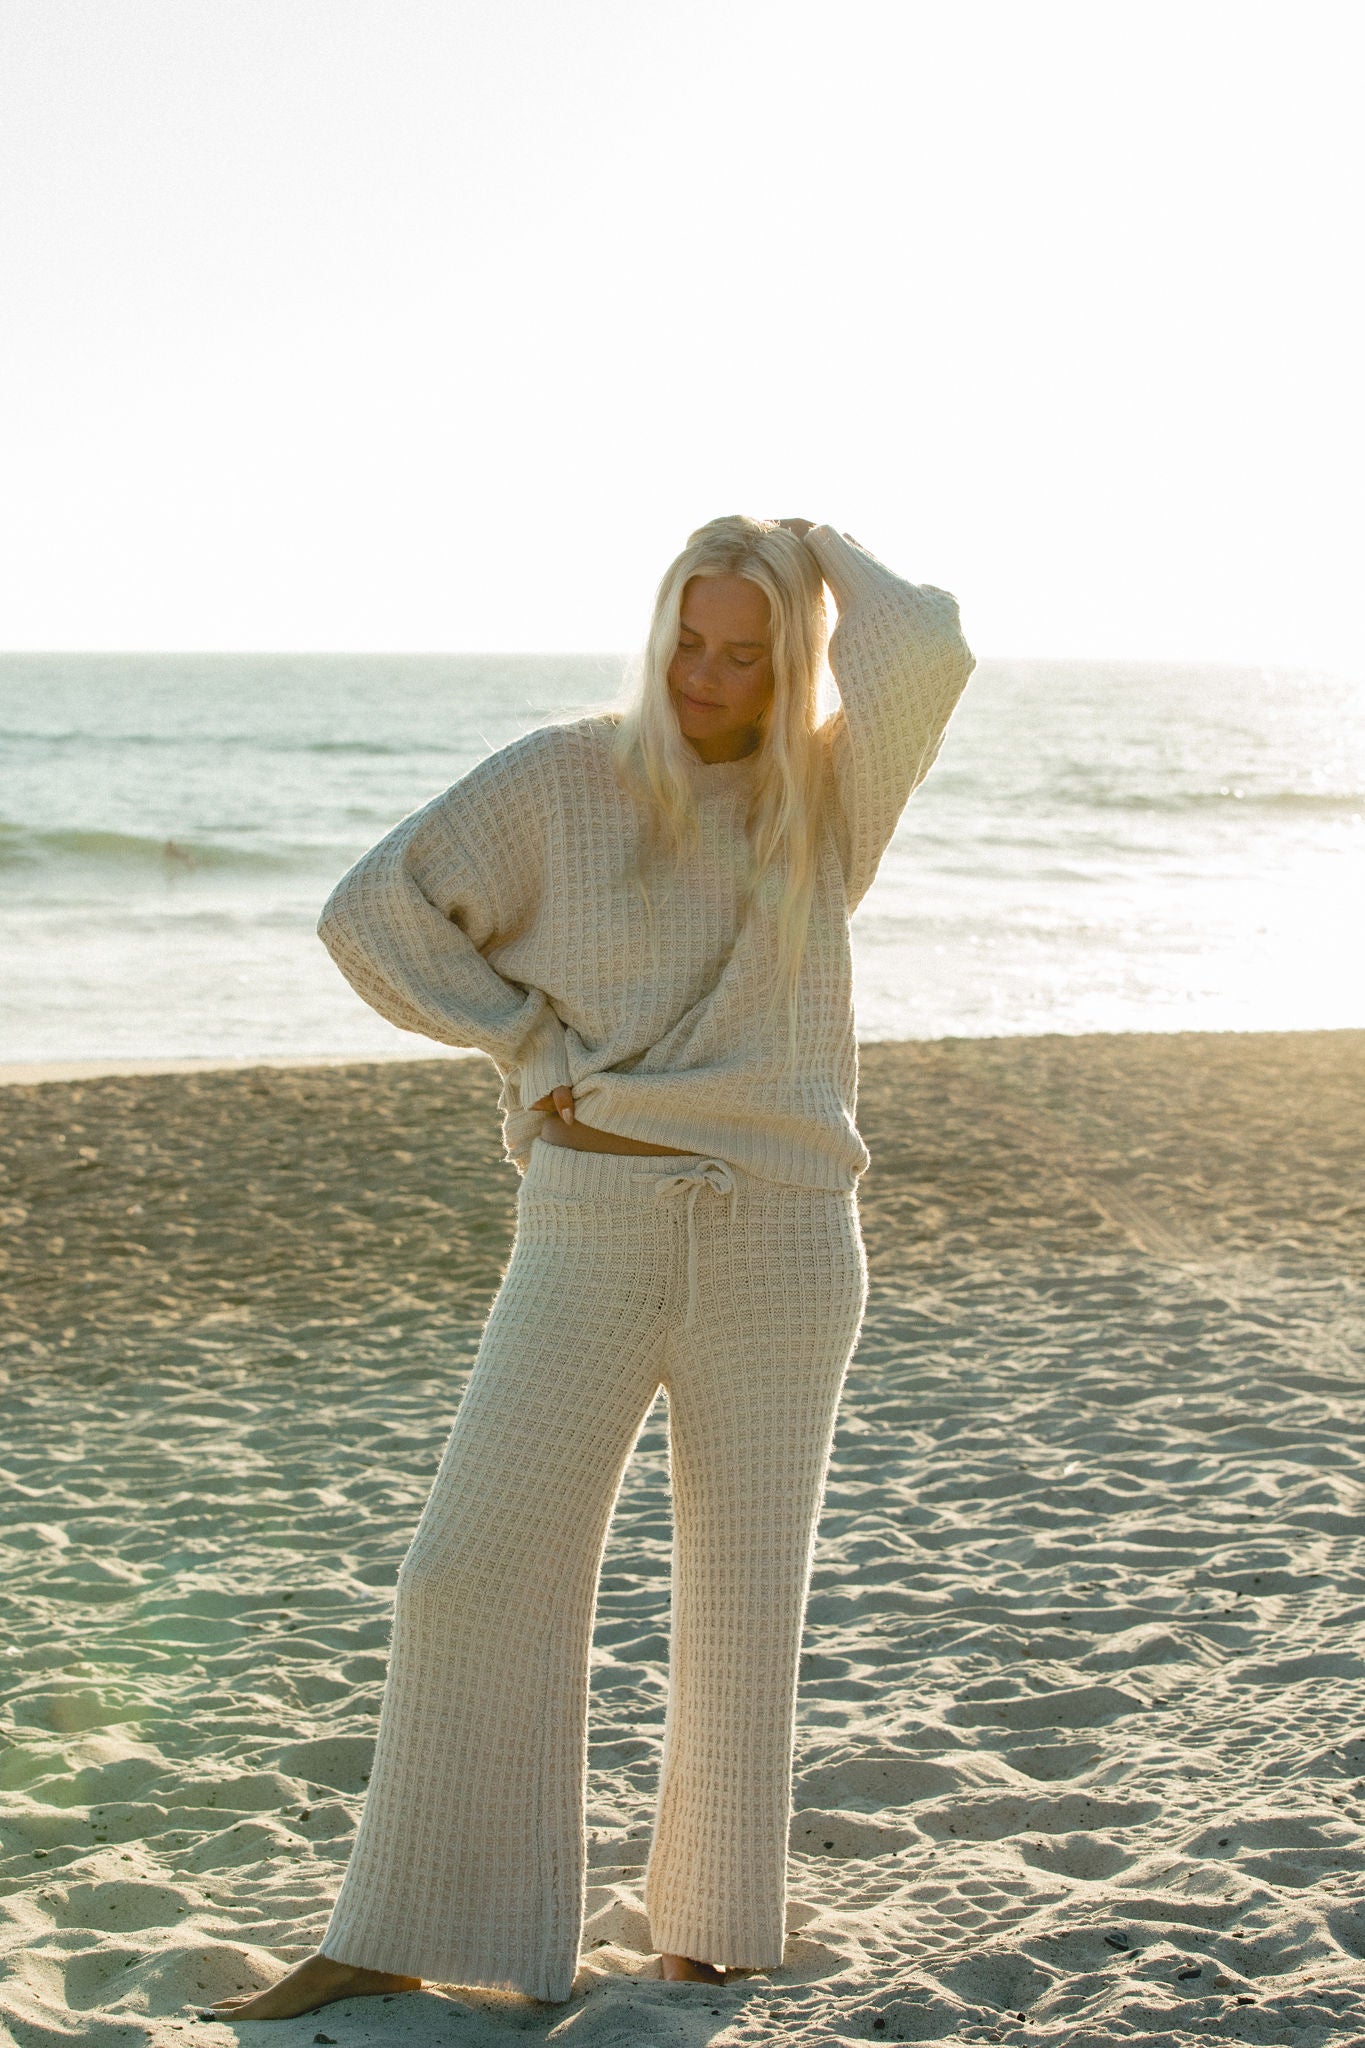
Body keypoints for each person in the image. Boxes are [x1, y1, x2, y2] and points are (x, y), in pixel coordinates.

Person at [209, 514, 975, 2020]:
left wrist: (806, 545)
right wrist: (523, 1038)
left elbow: (931, 645)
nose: (706, 673)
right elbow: (371, 913)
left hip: (784, 1234)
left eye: (747, 652)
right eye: (689, 638)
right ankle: (398, 1927)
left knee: (743, 1600)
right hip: (595, 1217)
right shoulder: (562, 776)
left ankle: (713, 1927)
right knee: (466, 1570)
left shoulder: (828, 798)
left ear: (795, 662)